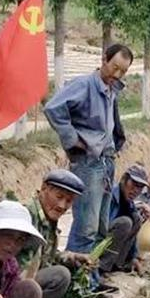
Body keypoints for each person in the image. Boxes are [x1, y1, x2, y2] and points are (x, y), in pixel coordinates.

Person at [44, 43, 134, 257]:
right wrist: (72, 138)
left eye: (123, 71)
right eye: (115, 67)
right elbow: (53, 108)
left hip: (106, 162)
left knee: (101, 227)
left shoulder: (112, 90)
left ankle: (91, 278)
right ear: (104, 60)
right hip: (88, 164)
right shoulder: (84, 85)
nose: (118, 74)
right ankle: (76, 277)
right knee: (86, 227)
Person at [12, 169, 93, 298]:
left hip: (24, 285)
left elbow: (46, 256)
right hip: (10, 288)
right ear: (44, 189)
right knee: (60, 276)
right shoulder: (26, 218)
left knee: (64, 270)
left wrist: (73, 257)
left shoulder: (47, 219)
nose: (63, 205)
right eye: (59, 197)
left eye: (69, 201)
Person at [98, 164, 149, 276]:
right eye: (134, 184)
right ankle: (101, 268)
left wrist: (134, 257)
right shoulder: (109, 196)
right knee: (125, 222)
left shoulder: (130, 204)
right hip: (97, 244)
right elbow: (99, 229)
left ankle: (118, 264)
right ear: (123, 180)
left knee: (137, 219)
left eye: (140, 187)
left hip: (110, 245)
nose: (136, 190)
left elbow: (133, 237)